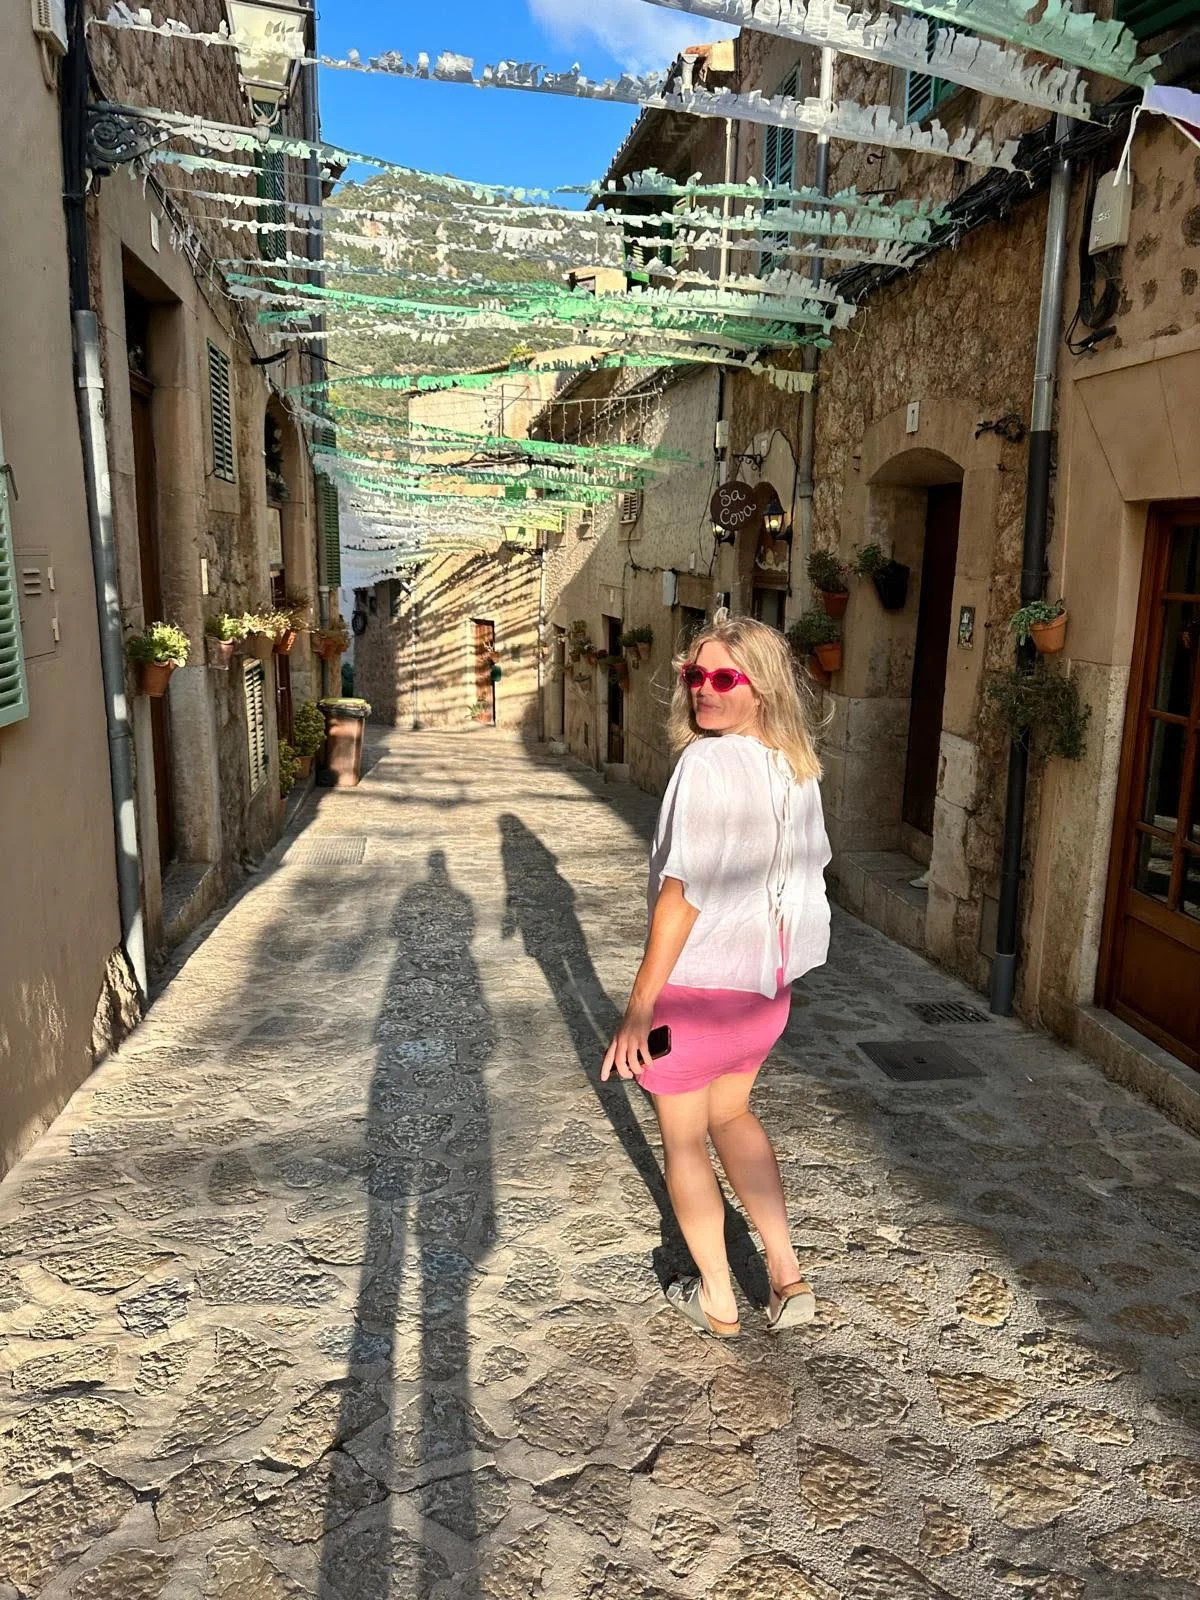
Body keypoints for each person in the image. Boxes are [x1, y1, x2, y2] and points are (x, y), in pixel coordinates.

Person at [601, 612, 831, 1337]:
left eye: (725, 677)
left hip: (697, 994)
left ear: (762, 687)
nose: (704, 688)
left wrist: (640, 1005)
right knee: (732, 1115)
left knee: (685, 1139)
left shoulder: (707, 764)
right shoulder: (795, 766)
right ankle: (789, 1279)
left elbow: (684, 891)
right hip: (764, 993)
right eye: (695, 674)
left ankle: (719, 1299)